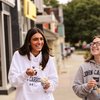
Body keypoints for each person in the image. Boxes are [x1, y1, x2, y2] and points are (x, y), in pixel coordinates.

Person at [8, 27, 58, 100]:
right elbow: (13, 81)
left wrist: (48, 85)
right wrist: (25, 74)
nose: (39, 42)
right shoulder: (18, 55)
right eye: (35, 39)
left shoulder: (49, 58)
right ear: (28, 42)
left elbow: (54, 81)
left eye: (41, 39)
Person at [72, 35, 100, 100]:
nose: (94, 45)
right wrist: (87, 86)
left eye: (98, 43)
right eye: (92, 43)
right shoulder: (83, 67)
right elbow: (76, 88)